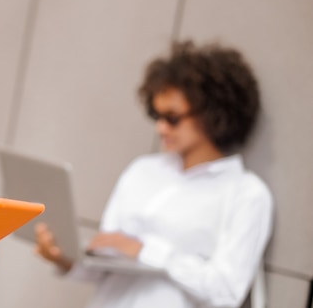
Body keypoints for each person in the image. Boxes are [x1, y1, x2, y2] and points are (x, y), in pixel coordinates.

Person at [35, 40, 273, 308]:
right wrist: (63, 258)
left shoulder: (246, 194)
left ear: (213, 114)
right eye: (156, 115)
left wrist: (147, 251)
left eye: (172, 118)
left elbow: (226, 293)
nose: (160, 128)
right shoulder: (142, 171)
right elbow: (105, 265)